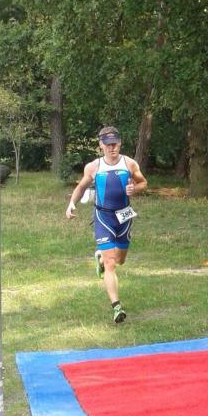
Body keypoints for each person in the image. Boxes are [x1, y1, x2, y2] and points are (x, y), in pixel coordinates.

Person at [65, 126, 147, 323]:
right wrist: (71, 203)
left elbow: (143, 182)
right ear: (101, 145)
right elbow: (81, 186)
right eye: (108, 145)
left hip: (124, 216)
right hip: (103, 217)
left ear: (120, 143)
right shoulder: (94, 167)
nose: (112, 148)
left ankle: (100, 258)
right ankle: (117, 307)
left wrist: (134, 189)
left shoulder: (129, 163)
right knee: (111, 264)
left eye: (115, 144)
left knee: (120, 260)